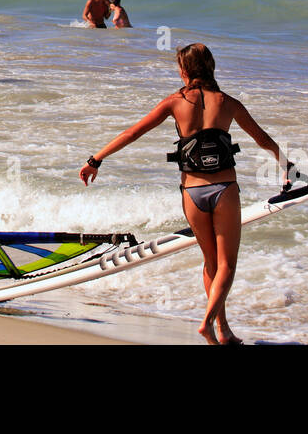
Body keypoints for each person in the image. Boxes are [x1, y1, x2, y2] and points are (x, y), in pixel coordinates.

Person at [79, 44, 290, 345]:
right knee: (227, 264)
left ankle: (223, 330)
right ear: (211, 67)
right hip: (225, 190)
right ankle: (208, 324)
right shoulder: (228, 103)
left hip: (192, 192)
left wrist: (94, 160)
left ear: (184, 70)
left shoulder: (174, 103)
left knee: (210, 263)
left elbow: (133, 133)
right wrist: (285, 166)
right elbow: (262, 138)